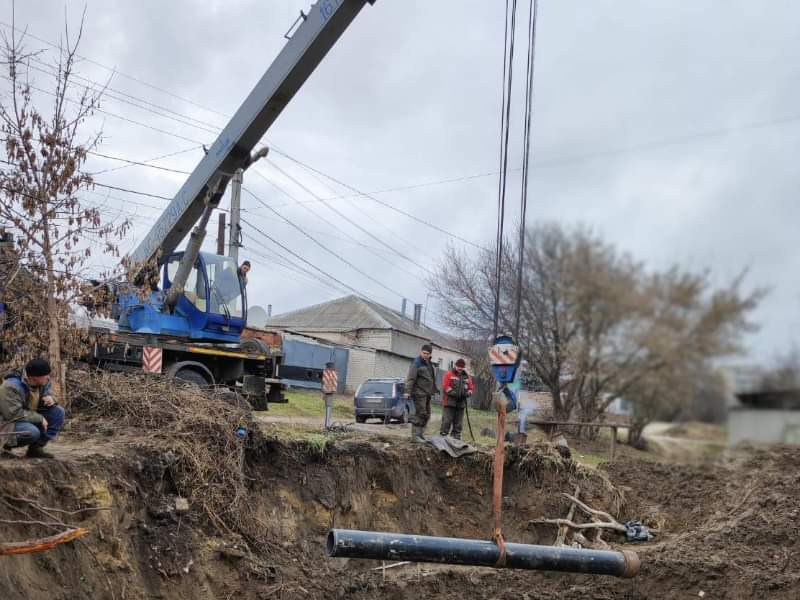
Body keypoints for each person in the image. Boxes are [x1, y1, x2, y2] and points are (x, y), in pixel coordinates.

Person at [0, 358, 65, 459]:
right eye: (45, 375)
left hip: (27, 416)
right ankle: (4, 446)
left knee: (58, 412)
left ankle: (35, 449)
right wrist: (40, 418)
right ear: (34, 377)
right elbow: (13, 414)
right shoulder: (11, 386)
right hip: (6, 423)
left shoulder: (43, 381)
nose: (48, 377)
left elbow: (50, 393)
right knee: (32, 432)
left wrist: (51, 398)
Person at [404, 343, 438, 443]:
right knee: (419, 414)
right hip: (418, 393)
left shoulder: (429, 364)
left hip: (427, 393)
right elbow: (410, 378)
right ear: (421, 352)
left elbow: (431, 378)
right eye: (424, 353)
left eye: (427, 353)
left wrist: (433, 390)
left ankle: (421, 434)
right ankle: (415, 436)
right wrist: (407, 391)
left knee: (427, 414)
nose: (425, 355)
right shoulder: (416, 363)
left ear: (430, 354)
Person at [440, 358, 474, 440]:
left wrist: (468, 393)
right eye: (458, 367)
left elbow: (471, 388)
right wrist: (454, 394)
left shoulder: (467, 377)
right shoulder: (449, 374)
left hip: (461, 403)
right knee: (447, 421)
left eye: (461, 367)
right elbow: (445, 387)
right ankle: (443, 437)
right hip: (449, 402)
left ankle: (456, 437)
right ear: (455, 366)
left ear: (463, 367)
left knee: (458, 423)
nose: (460, 369)